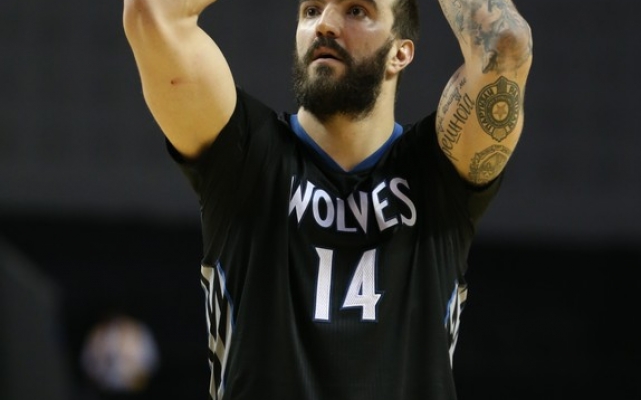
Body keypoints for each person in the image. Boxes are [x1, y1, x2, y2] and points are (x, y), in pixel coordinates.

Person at [122, 0, 533, 398]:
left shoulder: (435, 171)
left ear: (400, 53)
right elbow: (151, 11)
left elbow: (505, 45)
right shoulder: (246, 156)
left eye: (357, 10)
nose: (324, 25)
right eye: (311, 10)